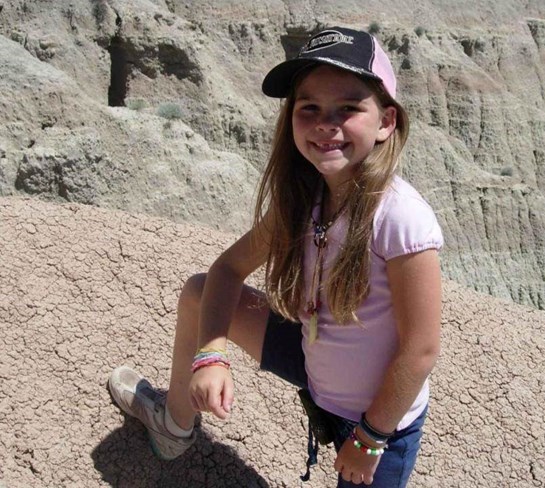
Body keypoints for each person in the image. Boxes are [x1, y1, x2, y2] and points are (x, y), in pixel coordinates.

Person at [109, 26, 443, 487]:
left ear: (386, 121)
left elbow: (420, 350)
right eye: (310, 108)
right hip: (315, 361)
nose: (328, 123)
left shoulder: (401, 219)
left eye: (349, 108)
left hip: (380, 422)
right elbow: (225, 271)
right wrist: (210, 356)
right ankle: (173, 426)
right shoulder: (302, 202)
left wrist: (368, 440)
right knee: (199, 293)